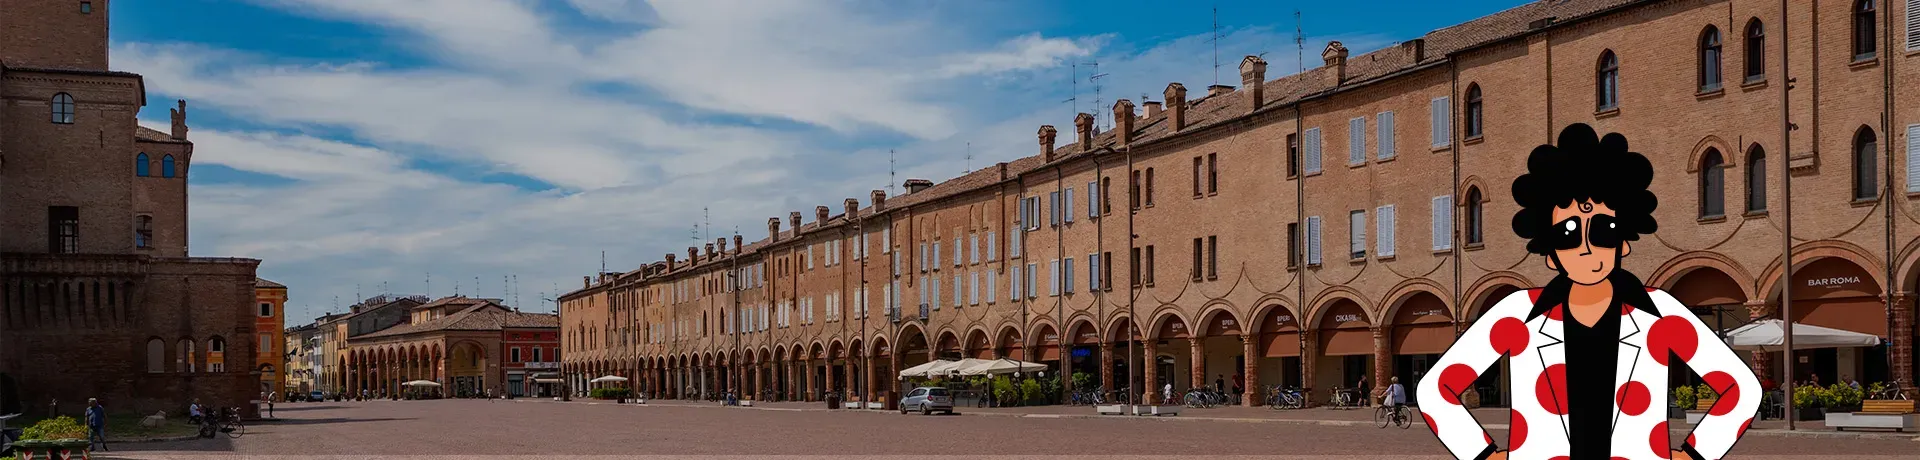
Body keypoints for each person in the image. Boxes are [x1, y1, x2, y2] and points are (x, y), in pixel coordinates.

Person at [1416, 124, 1759, 460]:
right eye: (1567, 234)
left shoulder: (1659, 313)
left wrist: (1694, 455)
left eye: (1603, 231)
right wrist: (1485, 455)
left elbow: (1741, 389)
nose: (1585, 247)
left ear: (1623, 243)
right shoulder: (1518, 314)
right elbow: (1436, 391)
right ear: (1550, 254)